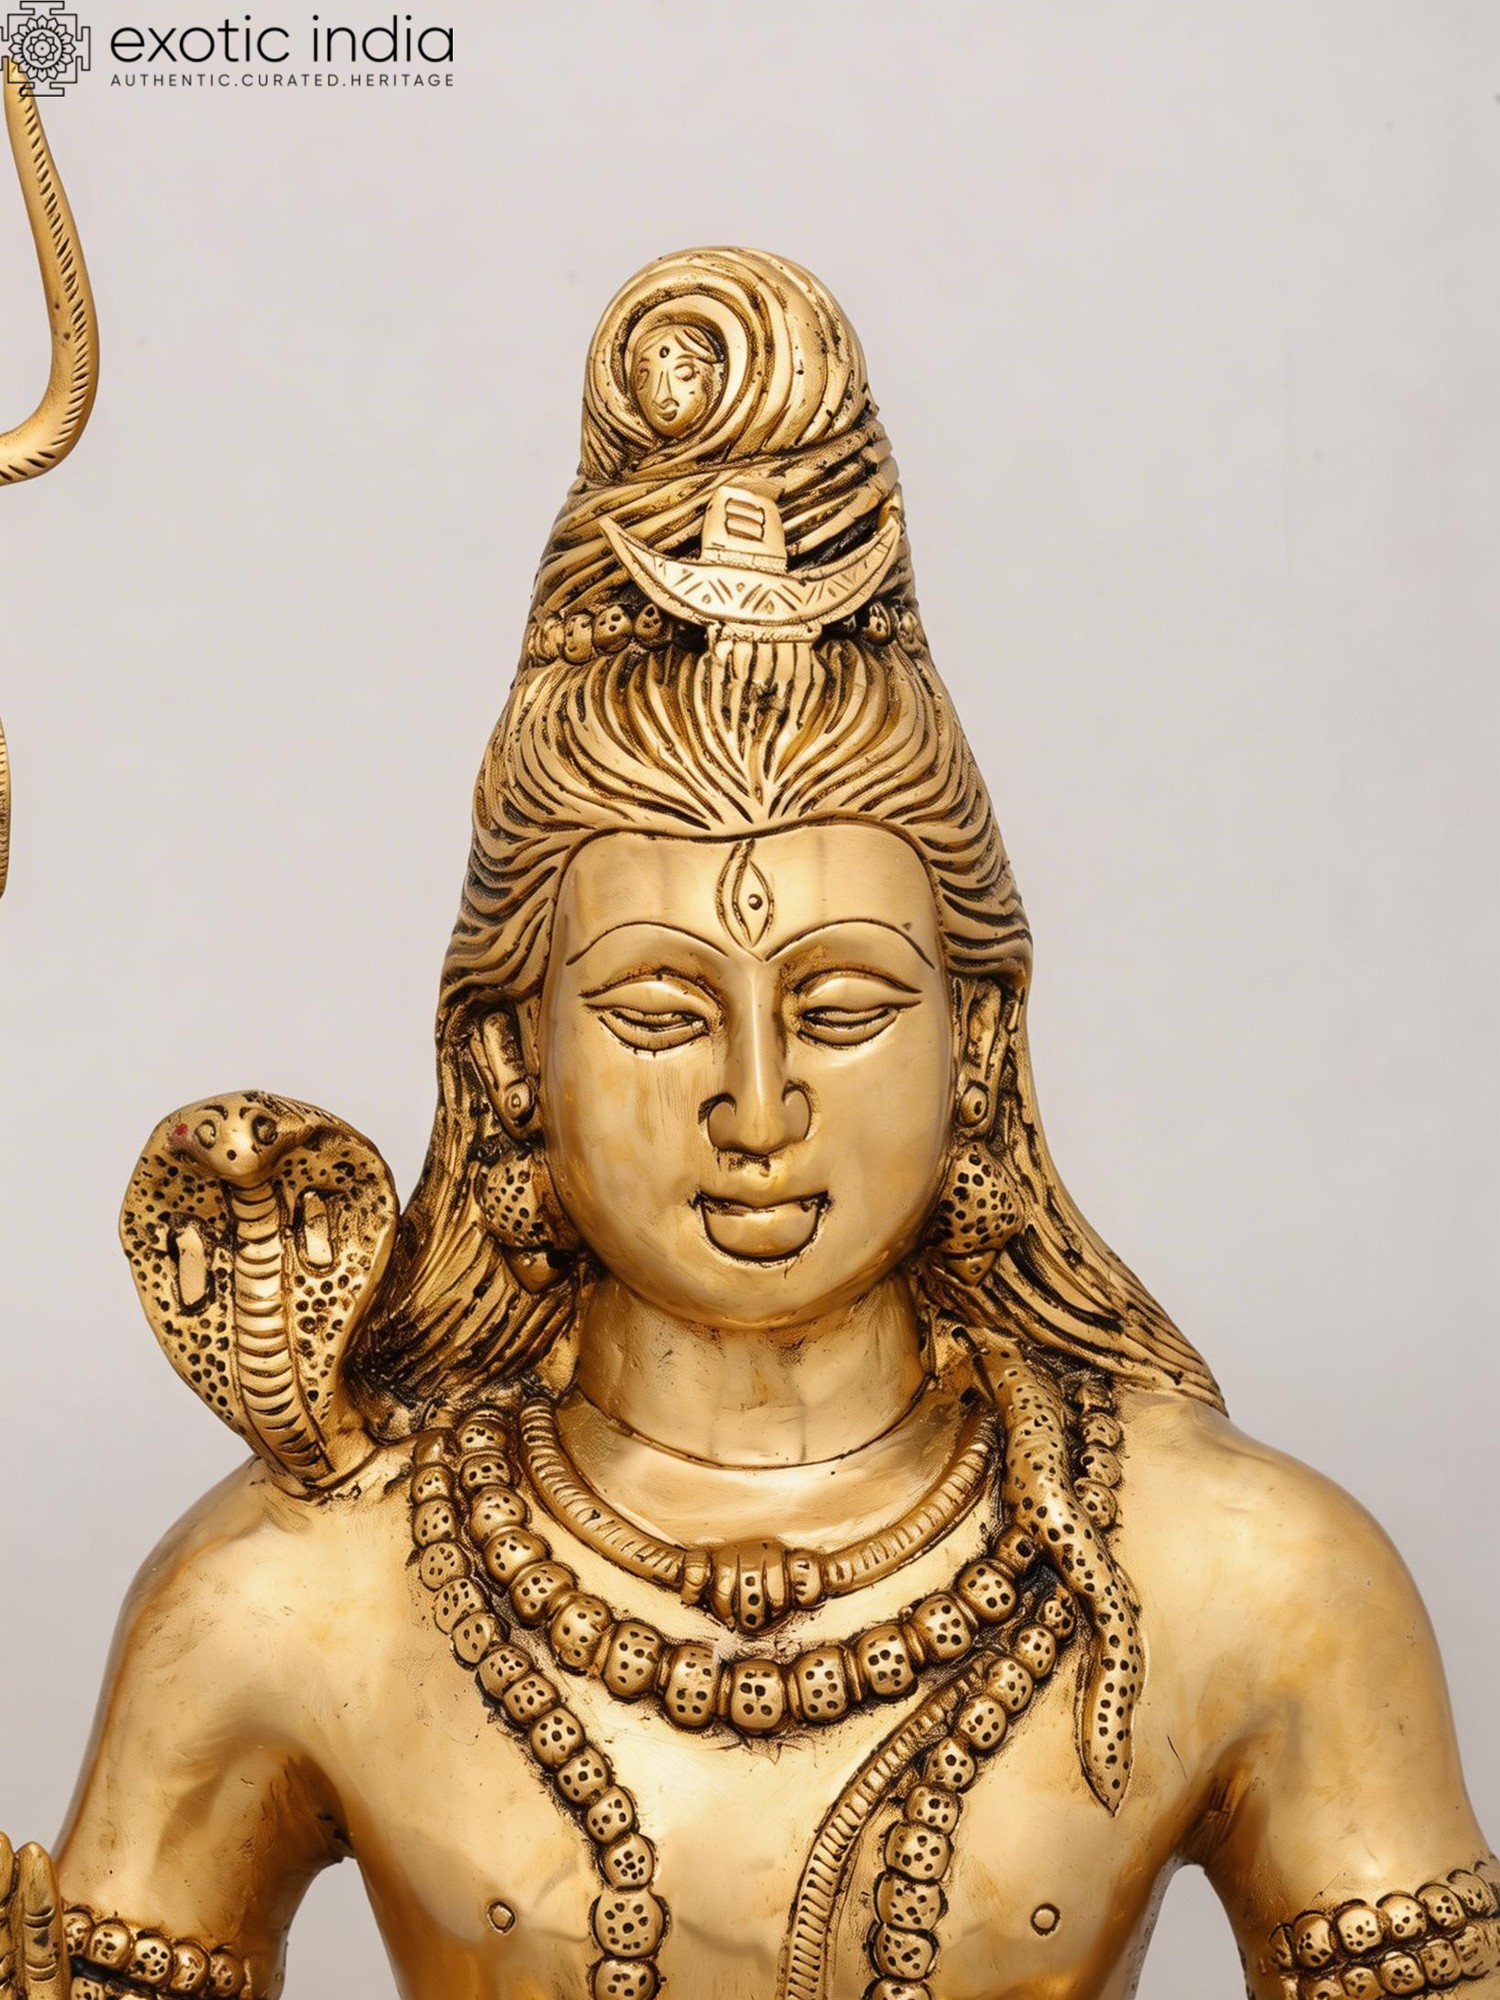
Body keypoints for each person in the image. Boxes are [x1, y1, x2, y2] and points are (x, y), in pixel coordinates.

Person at [2, 247, 1493, 2000]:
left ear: (978, 1043)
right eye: (657, 1014)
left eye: (848, 1009)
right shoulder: (292, 1586)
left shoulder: (1240, 1571)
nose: (760, 1104)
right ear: (509, 1059)